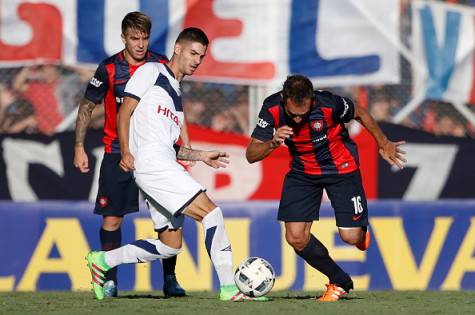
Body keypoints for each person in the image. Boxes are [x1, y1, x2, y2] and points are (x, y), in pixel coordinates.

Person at [85, 27, 267, 302]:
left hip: (161, 163)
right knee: (211, 214)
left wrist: (200, 155)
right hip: (151, 164)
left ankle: (103, 260)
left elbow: (171, 146)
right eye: (193, 53)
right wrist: (125, 151)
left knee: (170, 246)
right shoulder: (151, 71)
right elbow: (125, 111)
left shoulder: (175, 94)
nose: (197, 60)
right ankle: (230, 288)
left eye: (202, 56)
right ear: (178, 49)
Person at [246, 75, 406, 302]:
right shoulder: (272, 108)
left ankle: (359, 232)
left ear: (311, 100)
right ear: (284, 100)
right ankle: (339, 280)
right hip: (302, 173)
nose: (298, 120)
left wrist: (383, 142)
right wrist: (273, 142)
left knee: (351, 237)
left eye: (303, 114)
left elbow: (359, 111)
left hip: (342, 169)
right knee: (295, 238)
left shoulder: (329, 104)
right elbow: (251, 155)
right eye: (293, 115)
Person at [74, 11, 187, 298]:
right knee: (112, 220)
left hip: (157, 152)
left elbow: (175, 110)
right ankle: (109, 280)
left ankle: (170, 279)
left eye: (145, 37)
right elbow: (87, 106)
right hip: (117, 152)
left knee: (169, 218)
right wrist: (79, 147)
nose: (140, 44)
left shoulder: (162, 64)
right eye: (134, 38)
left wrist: (183, 148)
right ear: (123, 38)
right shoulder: (109, 68)